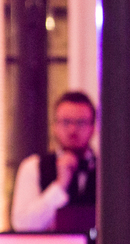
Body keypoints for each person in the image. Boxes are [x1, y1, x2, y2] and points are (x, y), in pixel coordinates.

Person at [10, 90, 97, 232]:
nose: (72, 130)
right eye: (66, 122)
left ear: (93, 127)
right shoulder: (33, 166)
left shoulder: (107, 172)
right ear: (55, 126)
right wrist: (60, 185)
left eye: (81, 122)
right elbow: (23, 226)